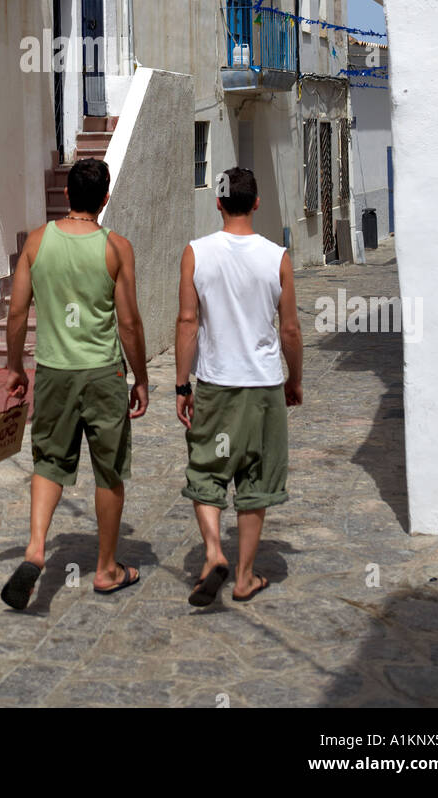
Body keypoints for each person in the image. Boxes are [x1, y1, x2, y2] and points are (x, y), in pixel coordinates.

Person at [1, 157, 148, 610]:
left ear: (66, 194)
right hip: (103, 373)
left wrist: (14, 367)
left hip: (53, 372)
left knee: (49, 462)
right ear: (105, 199)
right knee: (109, 470)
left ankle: (36, 548)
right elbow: (129, 322)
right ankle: (106, 569)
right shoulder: (116, 248)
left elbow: (17, 313)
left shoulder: (37, 242)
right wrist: (141, 377)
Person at [174, 166, 302, 607]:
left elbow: (187, 322)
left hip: (216, 384)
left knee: (207, 471)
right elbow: (290, 330)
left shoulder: (196, 253)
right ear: (257, 203)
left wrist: (181, 385)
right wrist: (295, 380)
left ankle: (213, 552)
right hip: (263, 386)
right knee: (256, 479)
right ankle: (245, 577)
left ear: (218, 203)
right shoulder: (277, 258)